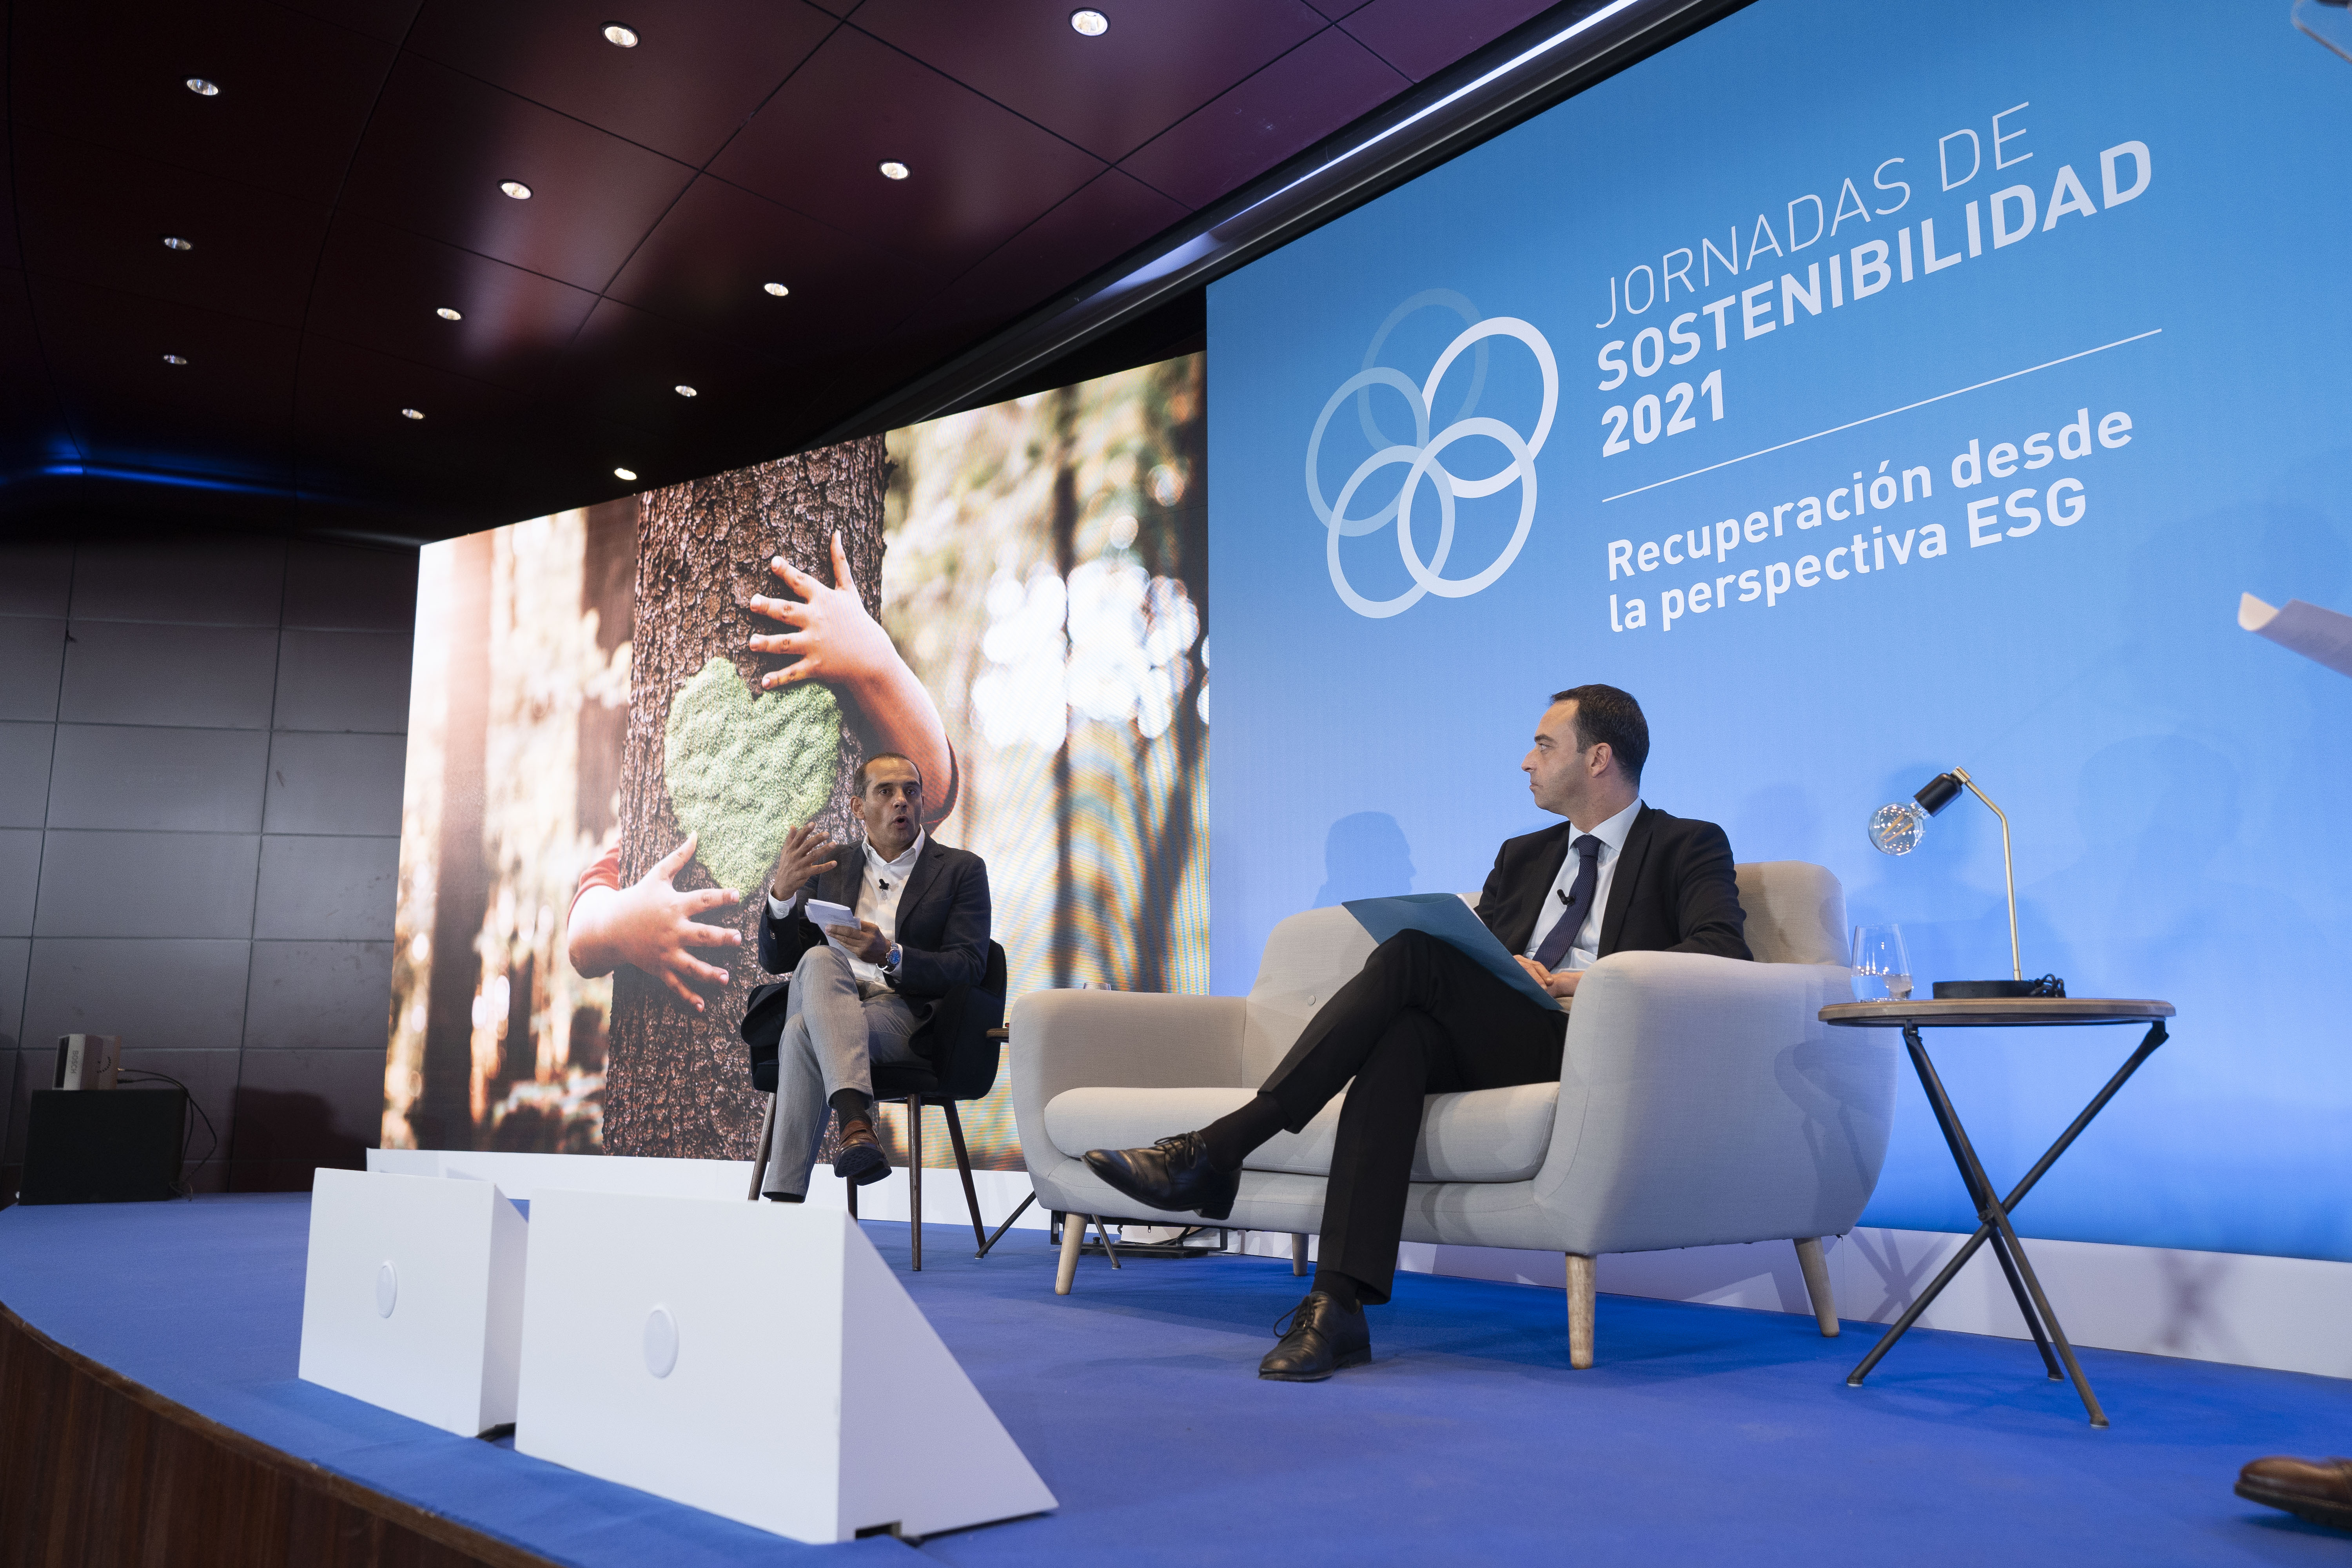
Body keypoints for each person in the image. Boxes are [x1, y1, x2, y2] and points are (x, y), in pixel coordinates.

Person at [1084, 684, 1749, 1380]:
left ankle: (1220, 1149)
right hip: (1506, 1037)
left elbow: (1724, 950)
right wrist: (1510, 969)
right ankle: (1337, 1305)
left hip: (1588, 1041)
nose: (1527, 761)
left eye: (1544, 745)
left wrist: (1588, 978)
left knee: (1410, 955)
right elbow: (1475, 969)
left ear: (1598, 758)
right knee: (1401, 1035)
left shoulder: (1685, 844)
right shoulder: (1522, 855)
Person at [755, 751, 991, 1198]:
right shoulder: (831, 866)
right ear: (858, 807)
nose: (902, 800)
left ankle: (783, 1207)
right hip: (834, 998)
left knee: (802, 1033)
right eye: (886, 791)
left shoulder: (961, 870)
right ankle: (857, 1129)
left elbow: (970, 966)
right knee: (821, 961)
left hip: (905, 1014)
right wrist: (781, 895)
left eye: (911, 790)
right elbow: (780, 958)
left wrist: (893, 956)